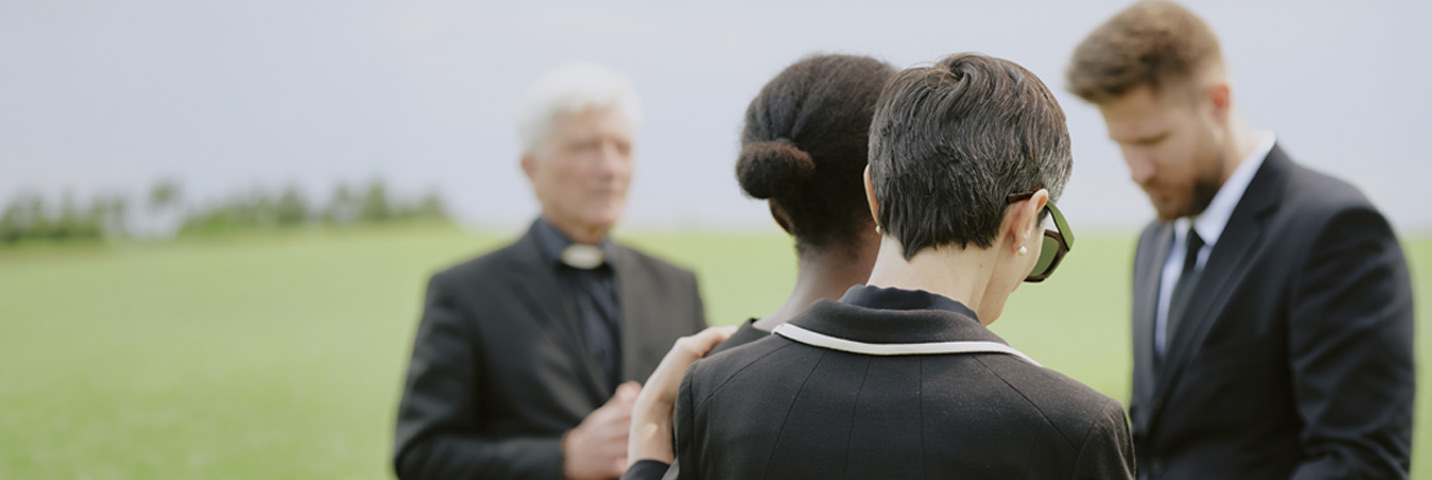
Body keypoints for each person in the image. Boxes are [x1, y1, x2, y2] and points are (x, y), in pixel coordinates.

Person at [665, 52, 1134, 480]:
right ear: (1024, 218)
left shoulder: (717, 392)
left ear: (874, 193)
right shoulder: (1073, 428)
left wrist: (647, 458)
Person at [1065, 2, 1417, 478]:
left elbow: (1360, 462)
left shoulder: (1334, 232)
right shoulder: (1154, 243)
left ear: (1218, 100)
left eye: (1153, 141)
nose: (1137, 171)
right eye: (1121, 144)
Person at [392, 62, 709, 480]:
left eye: (623, 147)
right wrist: (563, 458)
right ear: (530, 168)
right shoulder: (464, 293)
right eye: (585, 148)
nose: (610, 168)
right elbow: (421, 455)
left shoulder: (676, 285)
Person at [616, 53, 899, 480]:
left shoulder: (707, 386)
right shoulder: (960, 380)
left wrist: (649, 439)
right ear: (891, 197)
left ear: (779, 211)